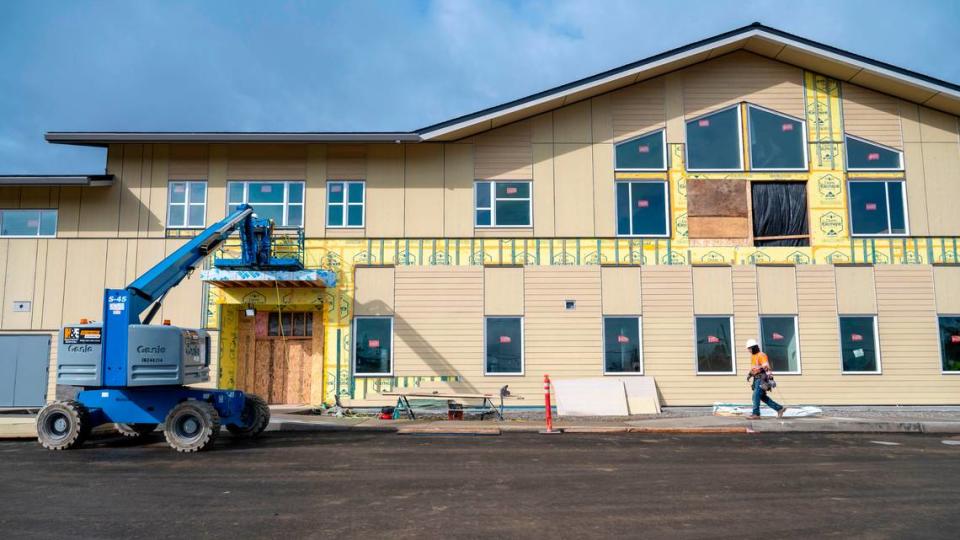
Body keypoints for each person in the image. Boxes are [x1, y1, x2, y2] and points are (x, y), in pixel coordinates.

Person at [746, 338, 787, 420]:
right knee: (762, 397)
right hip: (756, 379)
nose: (748, 350)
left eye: (749, 348)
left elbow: (766, 367)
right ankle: (779, 408)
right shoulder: (753, 356)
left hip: (762, 379)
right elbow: (755, 368)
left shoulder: (761, 355)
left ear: (753, 347)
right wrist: (750, 374)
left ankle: (756, 414)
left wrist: (771, 379)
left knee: (755, 396)